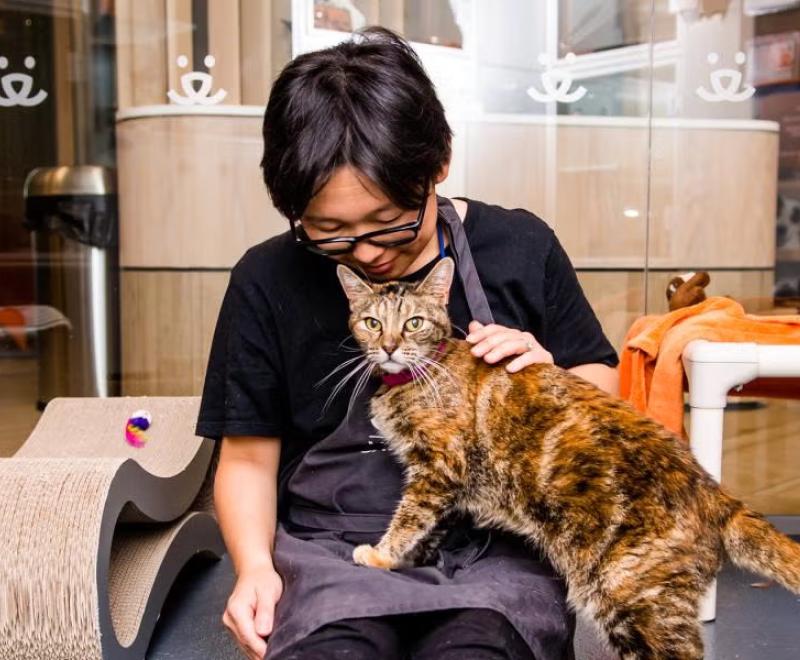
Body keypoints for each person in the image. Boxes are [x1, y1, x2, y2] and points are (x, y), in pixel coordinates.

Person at [196, 27, 619, 660]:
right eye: (330, 232)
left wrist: (552, 382)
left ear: (438, 164)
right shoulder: (266, 278)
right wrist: (254, 568)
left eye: (390, 223)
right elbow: (248, 458)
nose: (367, 253)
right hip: (330, 549)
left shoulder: (521, 247)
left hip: (496, 545)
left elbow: (604, 386)